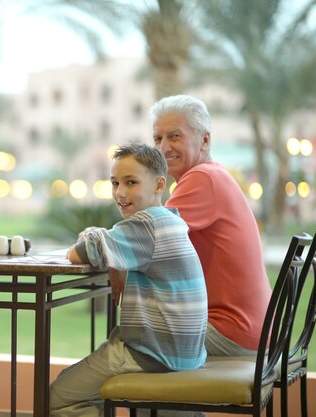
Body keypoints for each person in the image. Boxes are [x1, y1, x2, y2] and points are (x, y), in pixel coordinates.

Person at [49, 144, 208, 417]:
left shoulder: (145, 224)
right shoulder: (170, 220)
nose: (120, 193)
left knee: (55, 398)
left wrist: (91, 235)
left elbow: (82, 252)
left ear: (159, 184)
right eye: (114, 183)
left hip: (153, 353)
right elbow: (103, 245)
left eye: (131, 182)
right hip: (185, 352)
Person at [151, 95, 272, 356]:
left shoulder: (202, 178)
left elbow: (145, 238)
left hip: (233, 333)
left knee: (130, 341)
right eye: (157, 138)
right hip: (254, 333)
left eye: (174, 136)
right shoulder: (212, 174)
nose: (162, 148)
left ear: (205, 139)